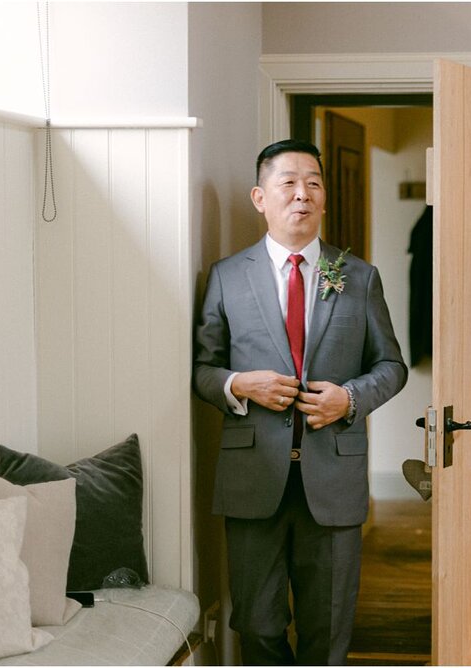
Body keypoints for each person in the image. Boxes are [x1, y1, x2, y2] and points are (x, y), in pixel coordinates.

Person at [193, 139, 408, 665]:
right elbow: (202, 370)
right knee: (257, 624)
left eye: (313, 182)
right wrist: (240, 386)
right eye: (288, 182)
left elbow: (392, 367)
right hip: (252, 481)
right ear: (260, 197)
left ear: (325, 198)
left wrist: (349, 398)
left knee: (328, 630)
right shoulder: (226, 276)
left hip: (332, 482)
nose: (302, 194)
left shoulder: (359, 277)